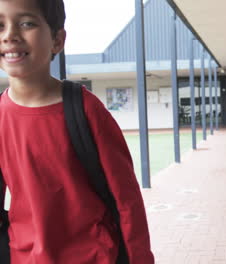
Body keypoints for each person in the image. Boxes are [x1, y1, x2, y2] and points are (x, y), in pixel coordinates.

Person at [0, 0, 155, 263]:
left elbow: (126, 199)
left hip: (94, 256)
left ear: (57, 40)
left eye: (27, 23)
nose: (10, 35)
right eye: (0, 25)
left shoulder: (85, 109)